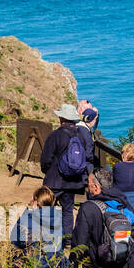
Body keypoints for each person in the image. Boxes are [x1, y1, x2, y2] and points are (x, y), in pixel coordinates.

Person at [72, 167, 134, 268]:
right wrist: (132, 265)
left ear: (96, 188)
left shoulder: (88, 208)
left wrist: (74, 263)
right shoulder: (125, 205)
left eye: (89, 185)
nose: (88, 189)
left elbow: (80, 241)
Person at [39, 103, 91, 246]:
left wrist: (47, 171)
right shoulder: (81, 135)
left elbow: (46, 159)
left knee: (46, 208)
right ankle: (67, 241)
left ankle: (47, 238)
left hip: (55, 180)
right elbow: (86, 156)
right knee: (68, 211)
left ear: (62, 118)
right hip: (74, 181)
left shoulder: (55, 135)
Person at [11, 186, 66, 268]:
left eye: (32, 198)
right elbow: (62, 243)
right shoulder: (58, 218)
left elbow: (15, 241)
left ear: (35, 202)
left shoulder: (27, 220)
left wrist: (28, 211)